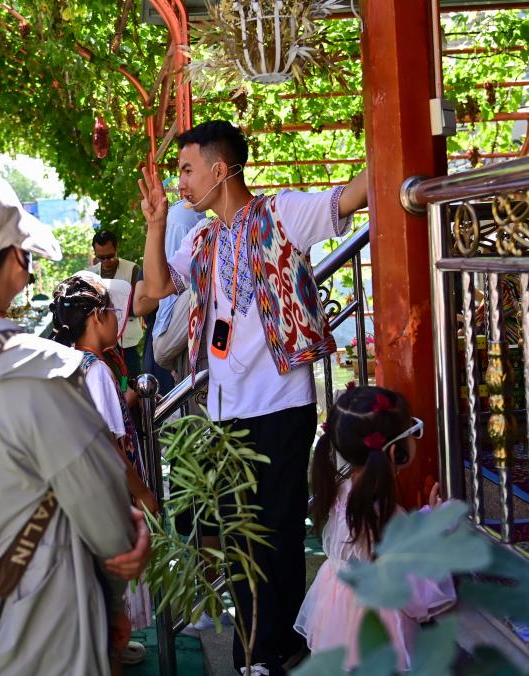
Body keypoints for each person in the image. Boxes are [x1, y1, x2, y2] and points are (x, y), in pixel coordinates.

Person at [139, 120, 369, 675]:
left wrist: (392, 139)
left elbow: (352, 196)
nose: (180, 183)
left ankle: (276, 649)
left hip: (283, 402)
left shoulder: (282, 213)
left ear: (220, 170)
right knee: (238, 534)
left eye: (187, 170)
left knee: (279, 529)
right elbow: (152, 293)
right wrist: (155, 224)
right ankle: (253, 649)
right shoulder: (201, 239)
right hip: (225, 410)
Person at [0, 169, 150, 676]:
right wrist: (121, 581)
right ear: (15, 258)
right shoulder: (42, 368)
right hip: (47, 630)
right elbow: (109, 525)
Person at [297, 385, 455, 671]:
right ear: (396, 451)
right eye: (414, 430)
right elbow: (408, 581)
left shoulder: (345, 490)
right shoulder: (378, 511)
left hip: (338, 611)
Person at [49, 272, 158, 666]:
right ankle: (110, 648)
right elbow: (108, 443)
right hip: (109, 492)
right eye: (113, 312)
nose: (118, 319)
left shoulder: (69, 363)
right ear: (96, 317)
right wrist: (143, 493)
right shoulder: (95, 370)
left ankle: (109, 643)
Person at [133, 198, 205, 391]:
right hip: (164, 344)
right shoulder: (158, 262)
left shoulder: (207, 247)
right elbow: (140, 304)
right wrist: (173, 290)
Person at [87, 230, 143, 380]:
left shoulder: (133, 270)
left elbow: (137, 306)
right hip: (102, 342)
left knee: (129, 379)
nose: (106, 261)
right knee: (108, 380)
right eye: (101, 258)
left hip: (127, 341)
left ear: (117, 248)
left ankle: (130, 393)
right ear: (95, 253)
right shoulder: (90, 274)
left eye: (110, 256)